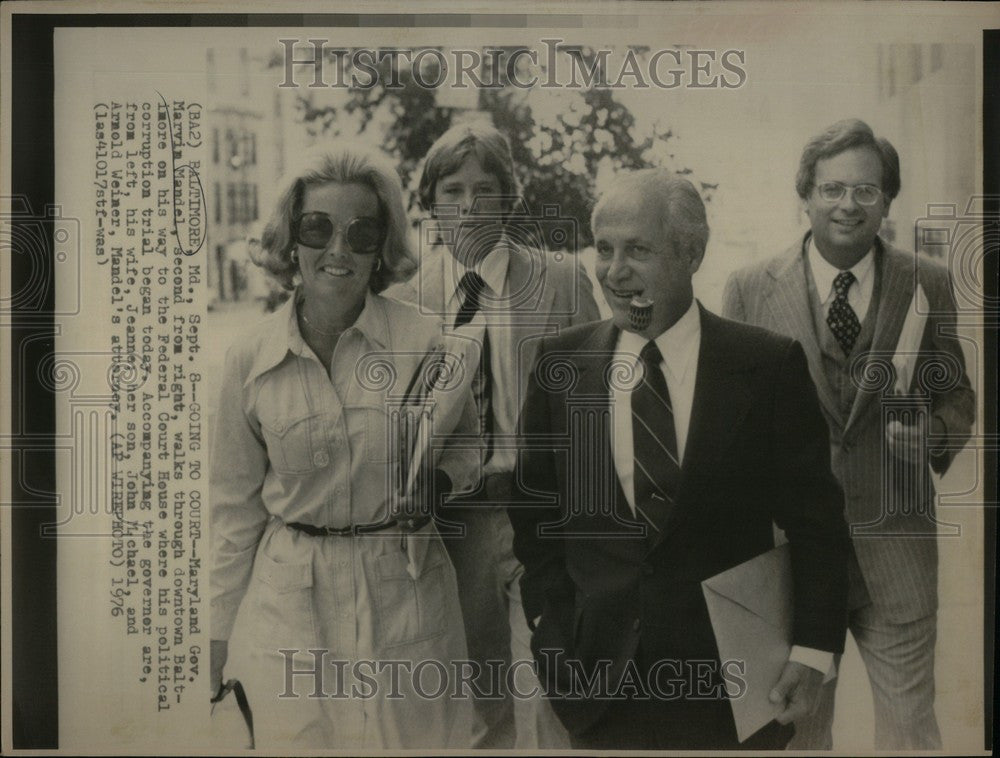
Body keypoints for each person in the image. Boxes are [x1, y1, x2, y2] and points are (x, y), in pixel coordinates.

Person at [510, 168, 850, 750]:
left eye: (638, 250)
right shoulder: (558, 365)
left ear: (692, 252)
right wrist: (550, 628)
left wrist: (812, 653)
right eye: (605, 250)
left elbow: (817, 526)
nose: (615, 272)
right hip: (597, 687)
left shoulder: (766, 367)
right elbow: (536, 513)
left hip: (736, 689)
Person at [209, 143, 478, 749]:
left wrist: (438, 482)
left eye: (361, 233)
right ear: (290, 238)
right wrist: (214, 634)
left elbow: (466, 442)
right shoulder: (248, 358)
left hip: (406, 591)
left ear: (382, 246)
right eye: (317, 228)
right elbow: (232, 509)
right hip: (289, 602)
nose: (337, 250)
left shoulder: (424, 340)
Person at [723, 119, 975, 749]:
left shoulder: (930, 281)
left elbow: (958, 397)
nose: (848, 205)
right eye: (833, 188)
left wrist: (935, 433)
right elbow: (729, 425)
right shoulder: (751, 289)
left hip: (897, 547)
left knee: (910, 734)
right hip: (793, 559)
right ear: (804, 194)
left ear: (887, 201)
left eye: (866, 191)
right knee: (799, 735)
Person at [385, 120, 601, 749]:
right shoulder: (408, 298)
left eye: (487, 188)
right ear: (431, 203)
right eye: (453, 189)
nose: (471, 204)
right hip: (460, 521)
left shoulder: (561, 278)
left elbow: (596, 405)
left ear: (512, 197)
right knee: (485, 699)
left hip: (545, 513)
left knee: (556, 690)